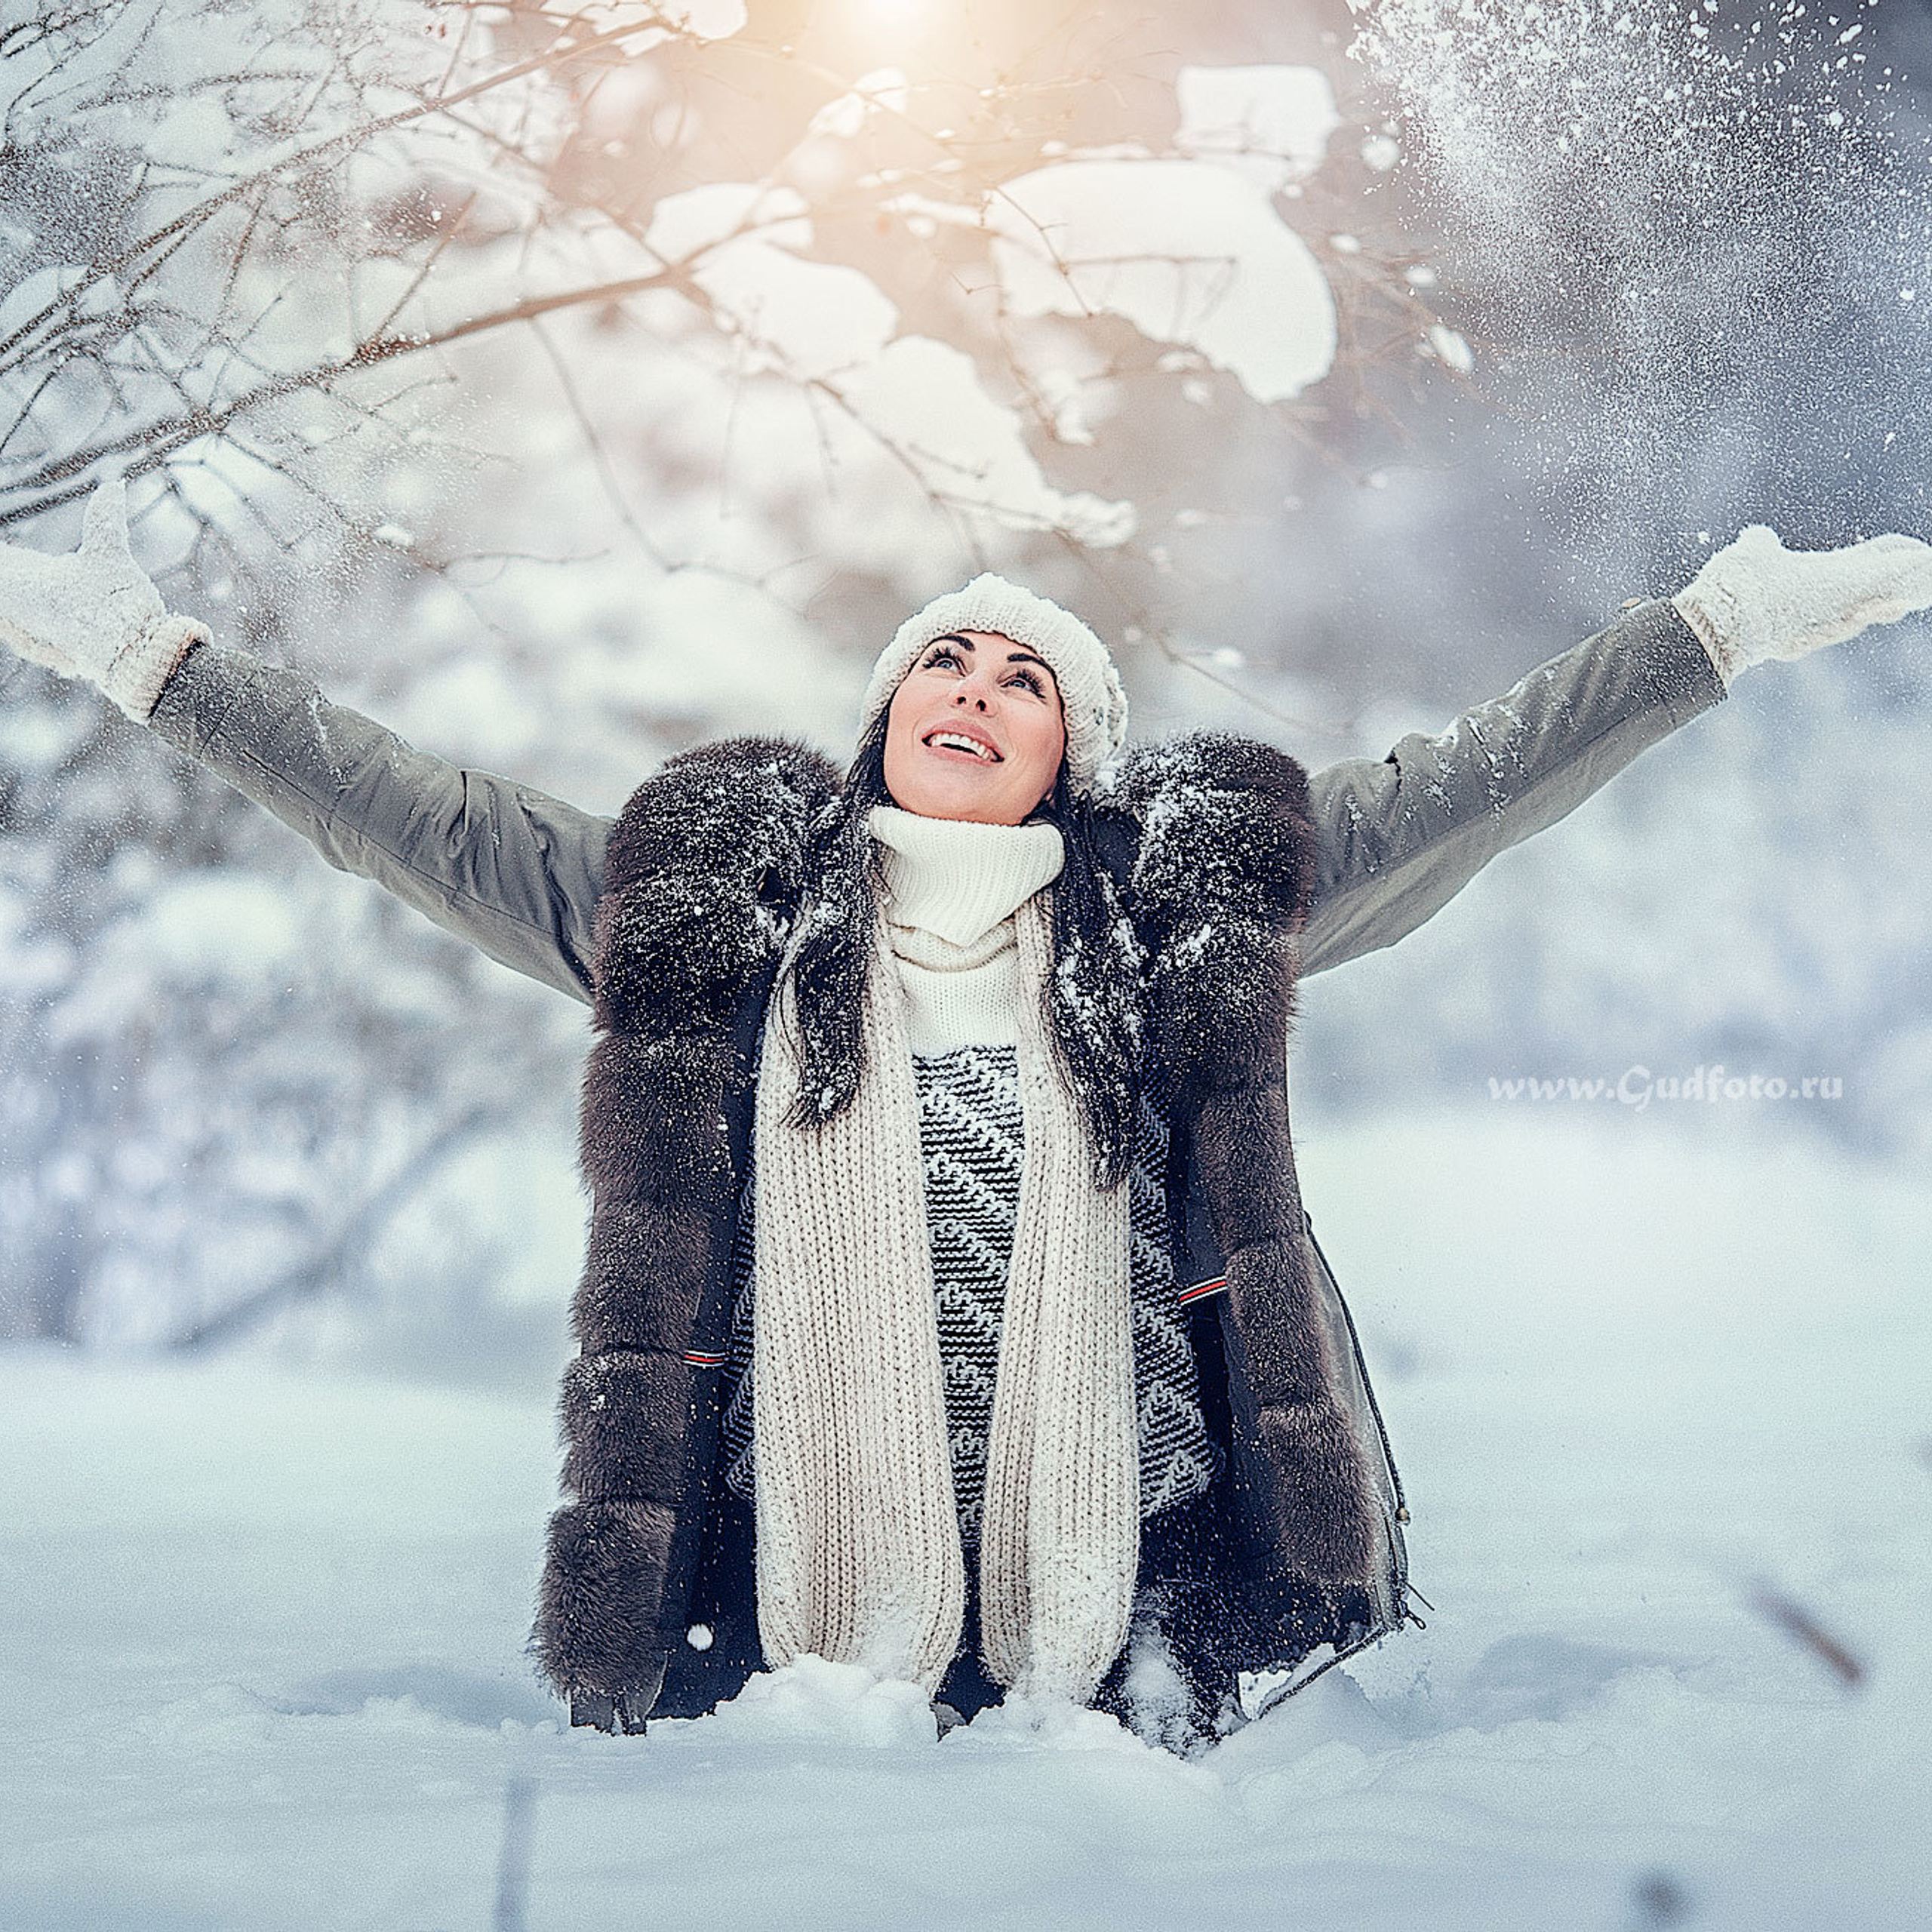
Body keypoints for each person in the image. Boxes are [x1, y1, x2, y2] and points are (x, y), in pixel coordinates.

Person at [5, 482, 1930, 1753]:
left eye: (1026, 679)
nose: (975, 684)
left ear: (1063, 760)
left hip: (1142, 1602)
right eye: (946, 652)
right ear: (882, 711)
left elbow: (1467, 783)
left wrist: (1707, 634)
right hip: (771, 1607)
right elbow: (413, 813)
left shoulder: (1170, 915)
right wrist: (149, 659)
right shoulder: (724, 909)